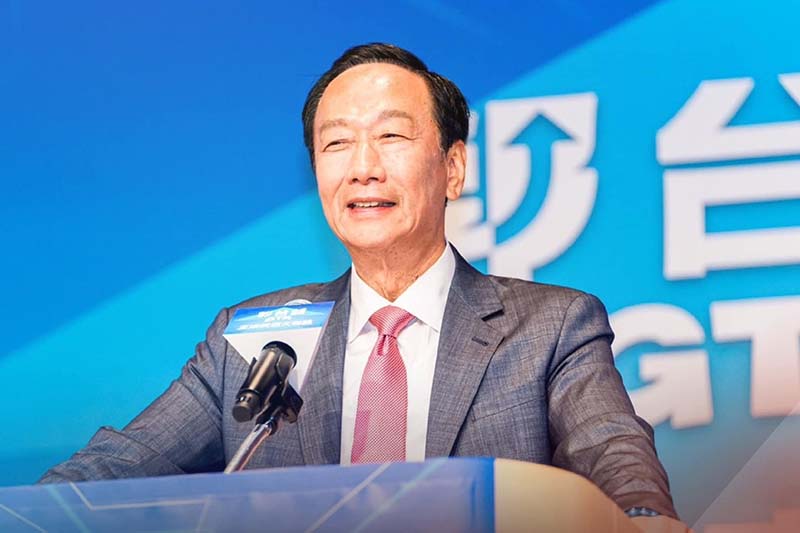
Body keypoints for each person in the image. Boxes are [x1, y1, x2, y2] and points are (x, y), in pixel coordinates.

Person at [41, 43, 681, 526]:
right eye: (337, 144)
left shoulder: (550, 327)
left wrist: (643, 521)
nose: (363, 168)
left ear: (453, 167)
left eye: (392, 136)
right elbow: (122, 465)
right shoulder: (251, 340)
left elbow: (612, 451)